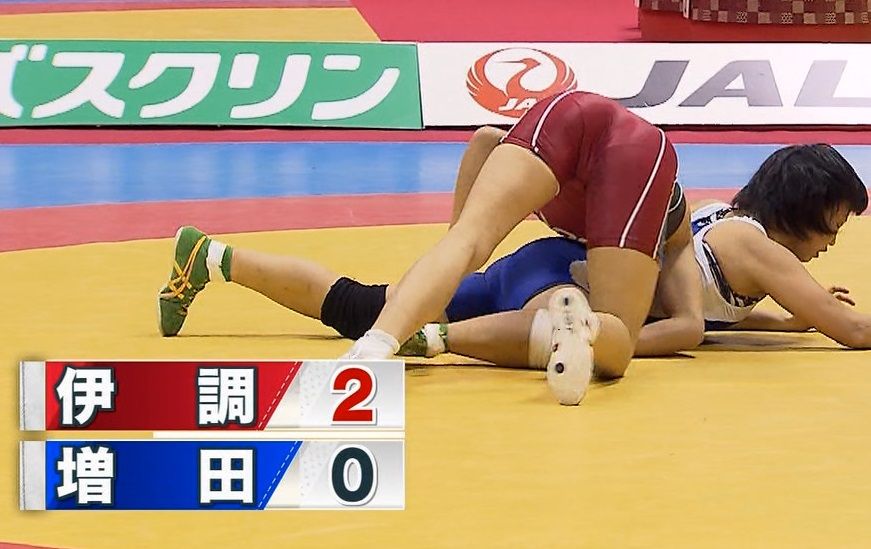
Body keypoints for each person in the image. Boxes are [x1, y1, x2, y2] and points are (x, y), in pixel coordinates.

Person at [158, 144, 867, 374]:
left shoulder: (724, 221)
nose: (834, 240)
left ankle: (215, 258)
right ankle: (434, 338)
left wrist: (783, 324)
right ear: (804, 205)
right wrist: (613, 343)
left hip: (545, 263)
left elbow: (706, 316)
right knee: (567, 331)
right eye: (834, 222)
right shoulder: (756, 246)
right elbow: (856, 332)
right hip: (562, 285)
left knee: (365, 306)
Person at [343, 91, 694, 405]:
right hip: (633, 155)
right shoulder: (670, 224)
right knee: (618, 343)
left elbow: (485, 139)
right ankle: (586, 326)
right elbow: (690, 325)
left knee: (464, 240)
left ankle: (372, 347)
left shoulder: (662, 222)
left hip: (565, 110)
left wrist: (448, 271)